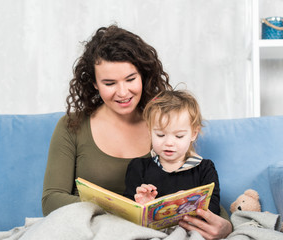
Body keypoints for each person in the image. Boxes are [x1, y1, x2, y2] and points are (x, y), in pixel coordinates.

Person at [41, 25, 232, 239]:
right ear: (94, 83)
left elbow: (197, 189)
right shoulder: (72, 125)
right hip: (88, 231)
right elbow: (52, 200)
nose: (123, 92)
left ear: (143, 75)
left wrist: (226, 226)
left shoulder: (163, 125)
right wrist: (126, 209)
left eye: (131, 79)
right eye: (109, 83)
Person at [123, 90, 220, 216]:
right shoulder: (138, 167)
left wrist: (188, 204)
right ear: (150, 132)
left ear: (193, 134)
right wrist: (142, 204)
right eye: (160, 135)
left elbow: (214, 209)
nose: (169, 143)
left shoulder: (205, 168)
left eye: (179, 136)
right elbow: (126, 210)